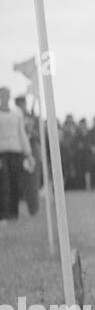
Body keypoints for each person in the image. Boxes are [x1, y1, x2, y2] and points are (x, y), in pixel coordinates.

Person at [0, 87, 34, 221]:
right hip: (2, 153)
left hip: (16, 151)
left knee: (15, 182)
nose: (5, 97)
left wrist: (28, 153)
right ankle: (3, 213)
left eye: (7, 95)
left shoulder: (17, 113)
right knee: (4, 182)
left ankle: (14, 213)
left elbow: (22, 133)